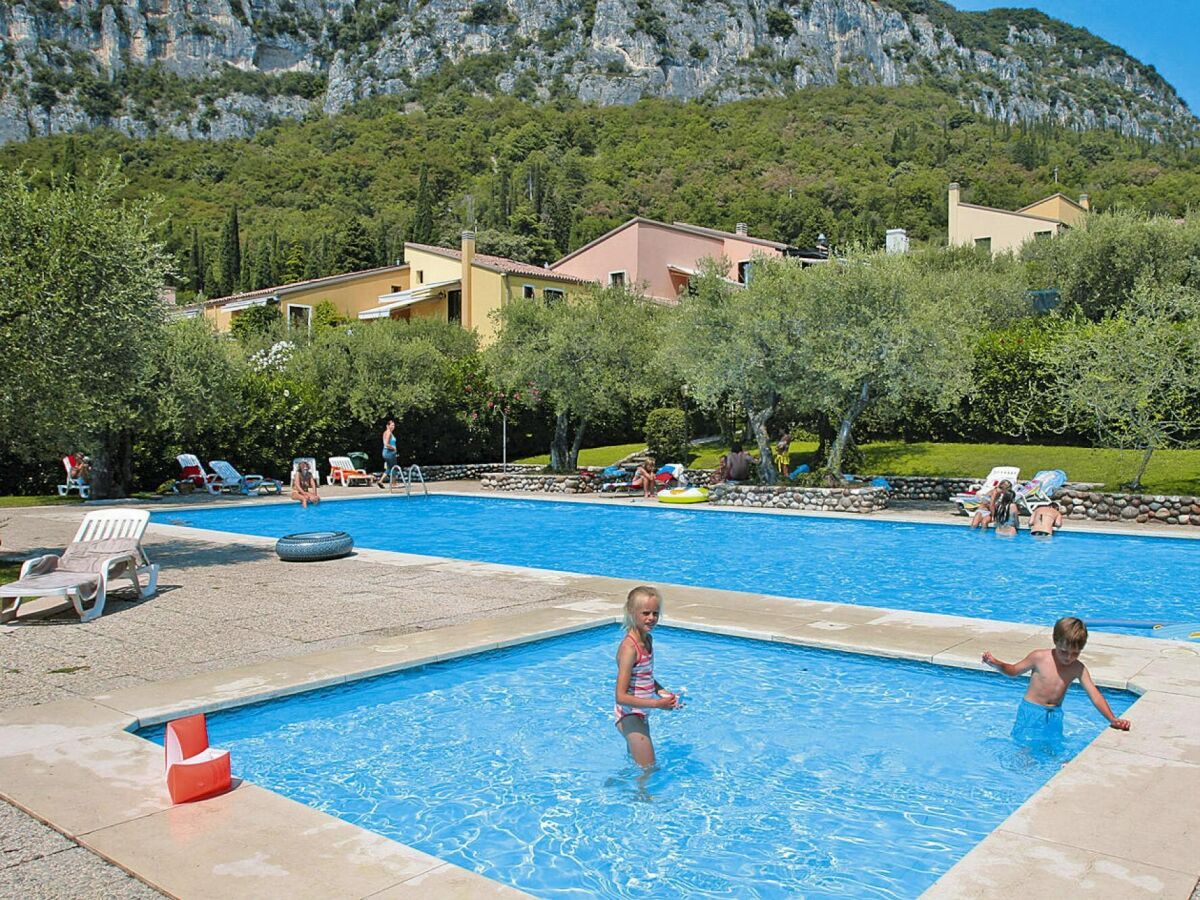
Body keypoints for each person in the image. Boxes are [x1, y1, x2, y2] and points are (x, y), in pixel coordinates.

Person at [982, 616, 1131, 743]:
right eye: (1064, 651)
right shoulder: (1039, 657)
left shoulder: (1078, 668)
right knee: (1024, 745)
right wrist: (996, 663)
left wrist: (1112, 719)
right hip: (1031, 711)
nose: (1068, 657)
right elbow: (1013, 671)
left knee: (1052, 746)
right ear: (1055, 640)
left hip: (1054, 714)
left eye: (1075, 653)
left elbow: (1095, 695)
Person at [615, 585, 682, 768]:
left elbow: (644, 677)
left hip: (641, 714)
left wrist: (662, 693)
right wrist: (657, 704)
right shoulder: (629, 649)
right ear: (631, 612)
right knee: (649, 769)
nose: (651, 618)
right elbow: (620, 697)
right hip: (630, 716)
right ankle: (644, 798)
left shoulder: (647, 640)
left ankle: (619, 786)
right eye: (645, 613)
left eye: (655, 613)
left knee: (637, 767)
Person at [377, 418, 398, 488]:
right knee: (394, 467)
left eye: (394, 425)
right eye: (392, 425)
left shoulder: (385, 432)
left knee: (389, 468)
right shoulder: (388, 433)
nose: (393, 427)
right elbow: (386, 444)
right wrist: (393, 448)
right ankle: (394, 483)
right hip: (389, 452)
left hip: (385, 452)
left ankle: (380, 481)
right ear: (388, 426)